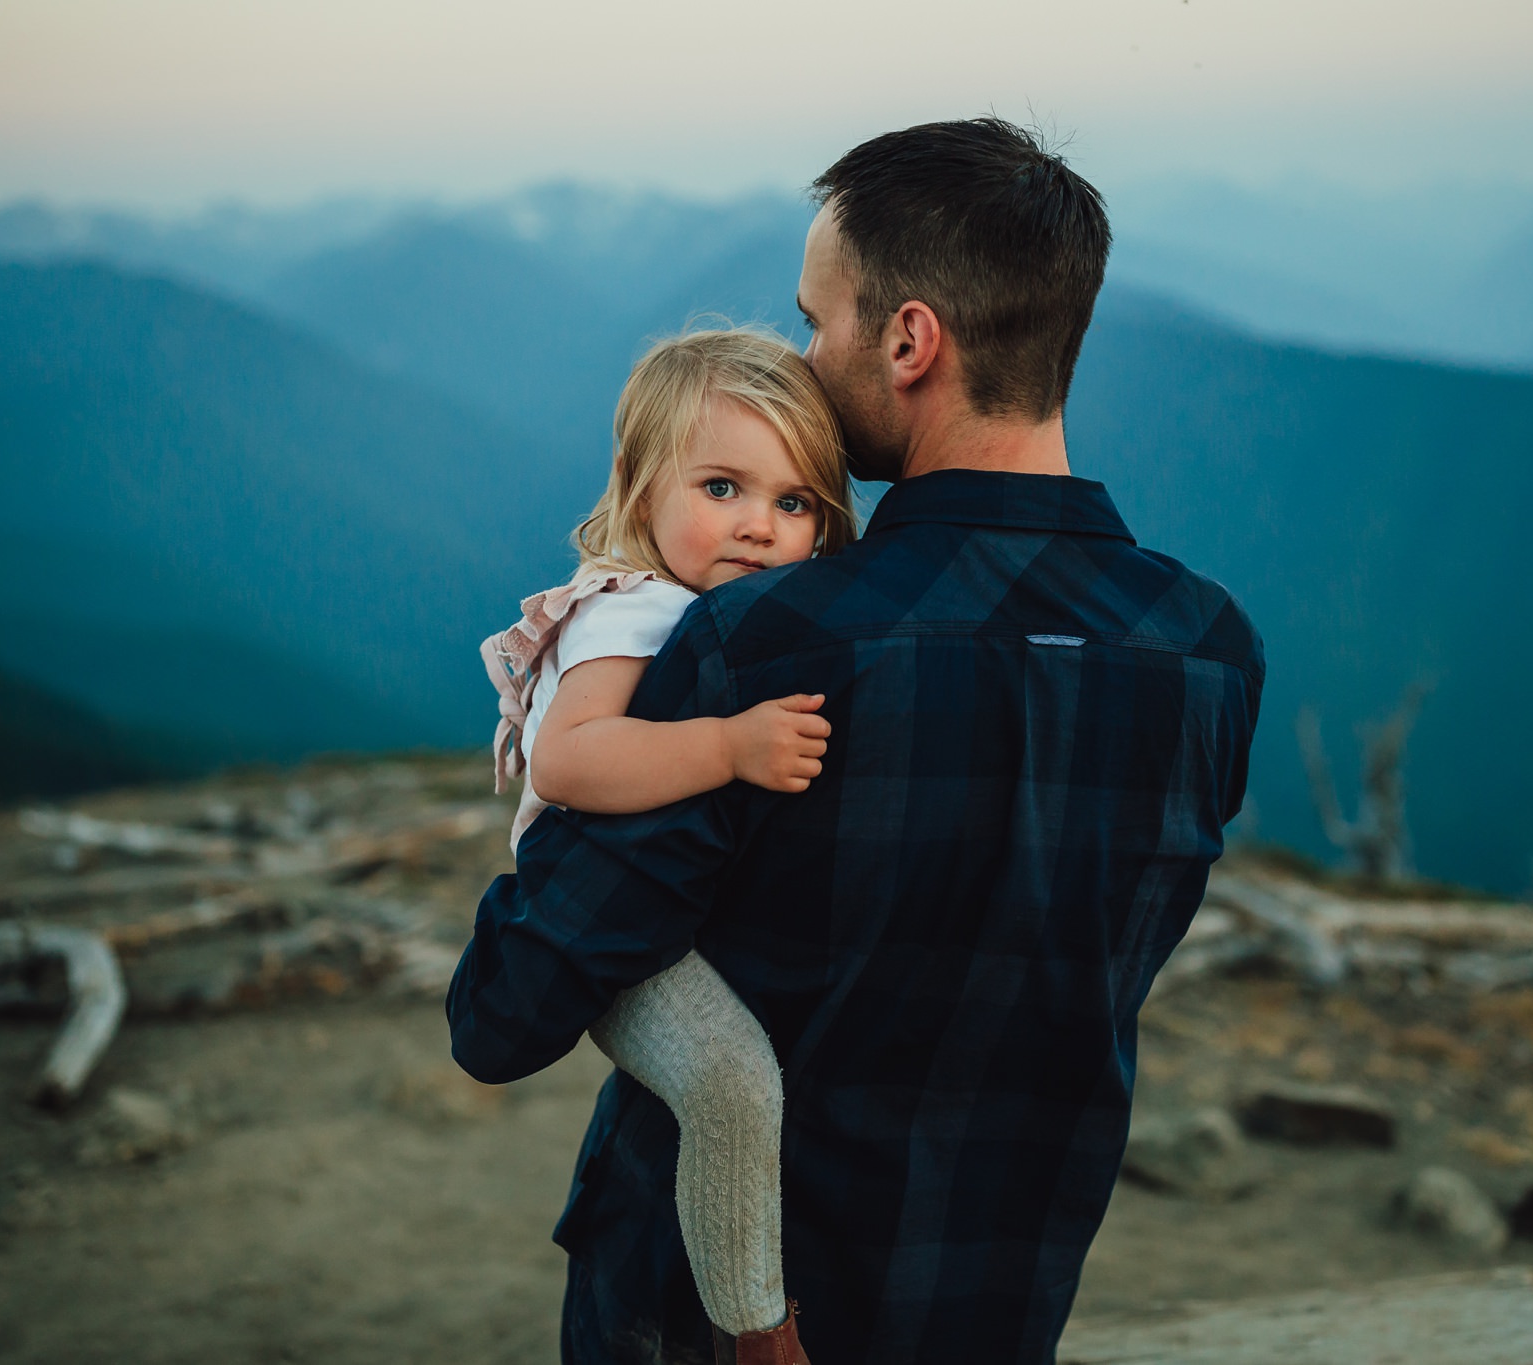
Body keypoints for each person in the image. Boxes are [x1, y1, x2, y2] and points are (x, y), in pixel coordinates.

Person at [449, 118, 1264, 1365]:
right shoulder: (1207, 654)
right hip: (999, 1290)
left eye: (817, 322)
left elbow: (505, 1016)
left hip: (712, 1317)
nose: (804, 358)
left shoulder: (763, 645)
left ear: (908, 340)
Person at [480, 327, 854, 1361]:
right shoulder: (631, 610)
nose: (759, 527)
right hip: (598, 924)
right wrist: (728, 746)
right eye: (723, 487)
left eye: (793, 503)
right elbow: (570, 760)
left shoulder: (696, 607)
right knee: (732, 1084)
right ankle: (755, 1328)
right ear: (642, 488)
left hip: (655, 908)